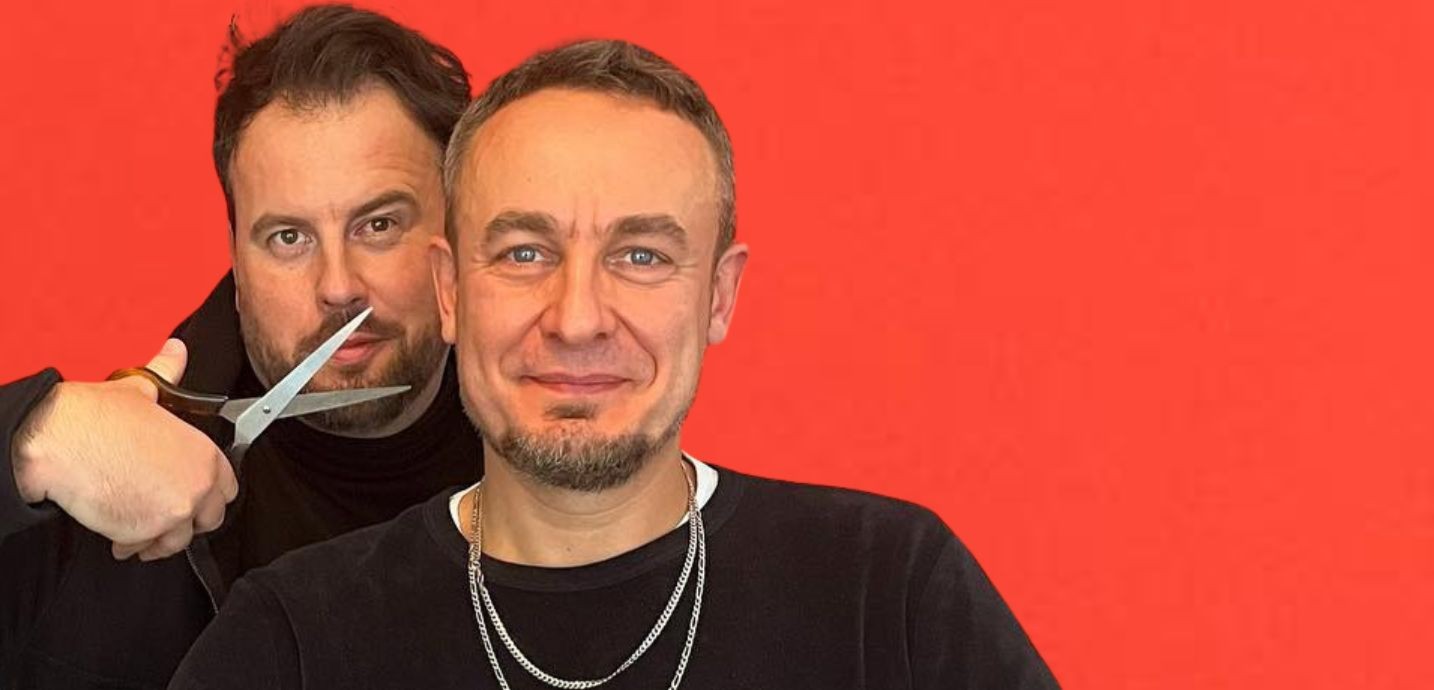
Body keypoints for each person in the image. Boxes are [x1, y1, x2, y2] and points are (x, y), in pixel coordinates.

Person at [170, 39, 1060, 689]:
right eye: (524, 253)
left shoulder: (888, 593)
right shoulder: (292, 637)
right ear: (449, 291)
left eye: (641, 256)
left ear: (718, 295)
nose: (578, 318)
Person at [0, 5, 483, 687]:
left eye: (378, 225)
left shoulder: (553, 443)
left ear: (457, 229)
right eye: (288, 238)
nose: (339, 286)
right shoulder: (87, 496)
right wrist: (24, 446)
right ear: (235, 256)